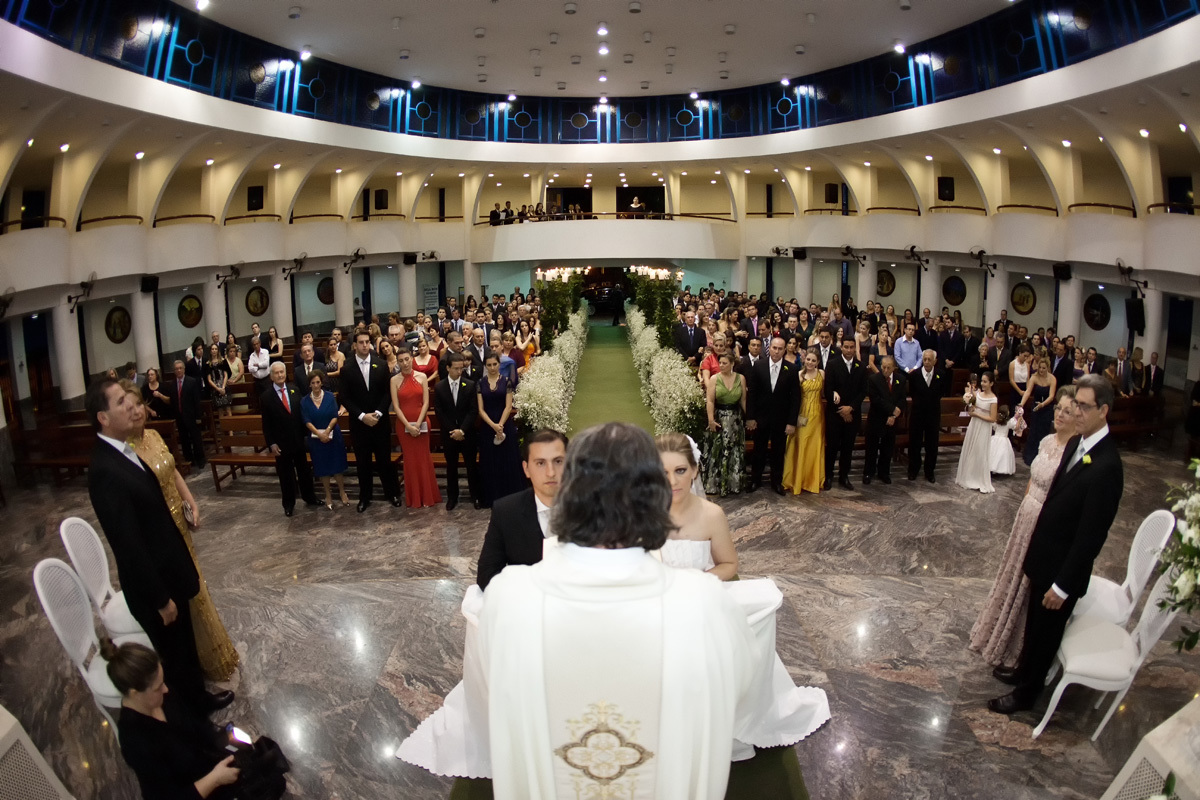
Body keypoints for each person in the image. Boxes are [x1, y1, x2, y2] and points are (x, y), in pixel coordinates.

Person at [478, 423, 760, 796]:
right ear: (652, 500)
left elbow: (494, 687)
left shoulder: (509, 597)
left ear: (571, 496)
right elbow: (739, 686)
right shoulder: (702, 601)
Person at [85, 379, 231, 716]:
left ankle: (201, 699)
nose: (130, 406)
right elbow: (129, 545)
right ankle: (194, 721)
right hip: (155, 587)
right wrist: (161, 599)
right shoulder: (105, 470)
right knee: (174, 659)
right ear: (103, 418)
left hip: (170, 570)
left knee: (185, 646)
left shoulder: (125, 449)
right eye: (121, 401)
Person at [989, 375, 1124, 714]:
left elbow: (1091, 536)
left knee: (1046, 635)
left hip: (1062, 569)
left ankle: (1026, 694)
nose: (1076, 411)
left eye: (1083, 405)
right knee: (1033, 626)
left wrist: (1063, 586)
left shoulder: (1107, 466)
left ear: (1103, 410)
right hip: (1044, 555)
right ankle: (1022, 670)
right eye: (1074, 403)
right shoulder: (1079, 443)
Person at [120, 381, 239, 683]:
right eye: (128, 407)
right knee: (184, 594)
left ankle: (210, 652)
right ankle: (191, 664)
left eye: (139, 405)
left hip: (180, 521)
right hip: (160, 532)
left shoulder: (155, 436)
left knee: (196, 585)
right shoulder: (126, 453)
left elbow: (171, 470)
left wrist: (191, 502)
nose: (136, 413)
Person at [971, 387, 1076, 668]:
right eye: (1058, 409)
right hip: (1026, 513)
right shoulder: (1047, 442)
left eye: (1067, 410)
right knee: (1014, 568)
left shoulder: (1075, 453)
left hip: (1045, 518)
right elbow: (1033, 478)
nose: (1060, 414)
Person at [101, 640, 253, 800]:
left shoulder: (163, 696)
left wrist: (225, 741)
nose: (166, 689)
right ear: (134, 693)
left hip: (207, 766)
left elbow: (196, 724)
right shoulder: (134, 741)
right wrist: (215, 780)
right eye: (158, 687)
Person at [476, 429, 567, 589]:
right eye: (540, 463)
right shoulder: (506, 511)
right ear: (526, 469)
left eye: (558, 461)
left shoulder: (594, 510)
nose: (550, 472)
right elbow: (487, 575)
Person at [656, 433, 738, 579]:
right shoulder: (638, 514)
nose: (672, 481)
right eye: (663, 473)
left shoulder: (712, 515)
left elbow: (728, 564)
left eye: (680, 470)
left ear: (694, 470)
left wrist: (696, 583)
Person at [340, 331, 403, 512]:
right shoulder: (347, 368)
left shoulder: (381, 365)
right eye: (361, 342)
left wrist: (377, 413)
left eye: (367, 342)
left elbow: (386, 393)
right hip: (359, 424)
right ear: (355, 346)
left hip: (379, 421)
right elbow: (344, 397)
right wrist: (362, 416)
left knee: (384, 460)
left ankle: (392, 493)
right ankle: (365, 497)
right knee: (363, 462)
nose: (365, 345)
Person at [260, 362, 321, 516]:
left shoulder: (294, 390)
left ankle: (310, 497)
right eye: (277, 373)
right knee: (286, 475)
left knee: (304, 472)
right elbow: (266, 424)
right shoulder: (266, 397)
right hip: (281, 444)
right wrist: (271, 443)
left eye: (282, 372)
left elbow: (302, 414)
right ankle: (288, 504)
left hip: (298, 441)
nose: (280, 375)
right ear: (271, 376)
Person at [746, 337, 800, 494]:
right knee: (759, 450)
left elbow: (795, 398)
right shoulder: (758, 366)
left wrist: (791, 422)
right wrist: (750, 417)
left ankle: (777, 482)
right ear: (770, 348)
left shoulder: (791, 369)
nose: (777, 351)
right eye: (774, 348)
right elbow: (752, 394)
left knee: (778, 451)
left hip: (781, 419)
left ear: (785, 350)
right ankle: (755, 480)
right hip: (760, 418)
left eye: (780, 349)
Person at [391, 346, 441, 508]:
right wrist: (408, 426)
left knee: (424, 458)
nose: (405, 363)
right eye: (401, 361)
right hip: (404, 424)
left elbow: (426, 402)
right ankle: (414, 497)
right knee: (410, 460)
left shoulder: (422, 377)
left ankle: (428, 495)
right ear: (397, 363)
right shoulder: (394, 380)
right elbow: (396, 407)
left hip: (422, 422)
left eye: (407, 359)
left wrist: (418, 424)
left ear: (412, 359)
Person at [432, 352, 482, 511]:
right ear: (448, 368)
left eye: (461, 368)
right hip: (449, 434)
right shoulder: (439, 387)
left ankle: (475, 495)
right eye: (456, 369)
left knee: (471, 466)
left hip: (467, 434)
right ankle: (452, 497)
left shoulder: (470, 385)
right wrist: (453, 430)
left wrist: (462, 430)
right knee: (451, 467)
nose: (459, 372)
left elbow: (473, 411)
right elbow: (439, 412)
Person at [476, 351, 526, 507]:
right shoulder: (480, 383)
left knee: (507, 462)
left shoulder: (506, 382)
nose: (492, 367)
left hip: (505, 427)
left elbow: (508, 406)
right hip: (487, 427)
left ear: (499, 364)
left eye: (495, 364)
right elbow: (480, 409)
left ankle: (510, 497)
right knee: (490, 463)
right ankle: (491, 497)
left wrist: (500, 425)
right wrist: (493, 425)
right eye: (489, 365)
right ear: (485, 366)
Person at [300, 369, 350, 509]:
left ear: (321, 382)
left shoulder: (329, 396)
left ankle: (342, 491)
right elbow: (306, 420)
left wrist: (327, 431)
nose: (316, 385)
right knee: (323, 468)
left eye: (318, 382)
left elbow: (335, 415)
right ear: (309, 385)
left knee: (337, 466)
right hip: (316, 440)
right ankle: (327, 494)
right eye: (313, 383)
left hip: (333, 436)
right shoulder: (304, 401)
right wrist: (319, 434)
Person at [823, 337, 866, 491]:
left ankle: (844, 476)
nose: (849, 350)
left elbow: (862, 391)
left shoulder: (860, 366)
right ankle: (828, 476)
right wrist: (842, 410)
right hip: (835, 414)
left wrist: (851, 408)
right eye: (846, 347)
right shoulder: (832, 364)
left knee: (848, 447)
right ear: (841, 347)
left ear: (855, 348)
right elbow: (828, 389)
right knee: (832, 447)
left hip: (853, 414)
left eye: (851, 347)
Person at [701, 351, 746, 497]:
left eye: (725, 363)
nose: (721, 365)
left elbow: (743, 401)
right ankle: (717, 484)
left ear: (732, 364)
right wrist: (711, 420)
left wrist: (749, 418)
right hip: (720, 419)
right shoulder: (715, 378)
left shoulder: (741, 378)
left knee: (735, 451)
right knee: (719, 451)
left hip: (736, 420)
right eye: (720, 363)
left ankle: (733, 484)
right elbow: (710, 400)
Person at [783, 349, 825, 495]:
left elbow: (827, 390)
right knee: (801, 445)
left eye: (813, 360)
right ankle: (798, 480)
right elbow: (793, 396)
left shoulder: (822, 374)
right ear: (804, 359)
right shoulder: (799, 375)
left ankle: (812, 480)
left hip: (818, 415)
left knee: (814, 446)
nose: (810, 363)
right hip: (802, 413)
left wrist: (835, 393)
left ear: (818, 362)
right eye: (808, 359)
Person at [863, 356, 906, 485]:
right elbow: (876, 400)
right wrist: (892, 410)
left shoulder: (901, 380)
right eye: (883, 367)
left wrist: (894, 416)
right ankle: (868, 472)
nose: (885, 370)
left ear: (894, 368)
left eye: (888, 367)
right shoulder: (873, 379)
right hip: (876, 419)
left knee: (887, 448)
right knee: (871, 448)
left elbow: (902, 399)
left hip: (892, 421)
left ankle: (884, 473)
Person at [955, 371, 999, 493]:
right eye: (982, 381)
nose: (983, 384)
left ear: (991, 383)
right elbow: (973, 408)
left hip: (984, 427)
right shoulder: (978, 394)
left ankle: (978, 478)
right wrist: (969, 403)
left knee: (980, 451)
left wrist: (977, 414)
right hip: (974, 425)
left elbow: (992, 418)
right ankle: (968, 476)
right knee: (971, 449)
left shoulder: (993, 399)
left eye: (985, 381)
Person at [907, 349, 947, 483]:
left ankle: (929, 471)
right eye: (925, 359)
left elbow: (942, 392)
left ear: (935, 361)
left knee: (932, 444)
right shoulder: (914, 375)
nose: (927, 362)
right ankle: (913, 469)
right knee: (915, 443)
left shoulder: (941, 375)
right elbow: (912, 392)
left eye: (930, 359)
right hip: (917, 414)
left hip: (933, 415)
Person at [166, 360, 206, 468]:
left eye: (180, 368)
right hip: (180, 416)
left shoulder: (191, 382)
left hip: (192, 415)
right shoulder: (172, 384)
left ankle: (200, 459)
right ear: (174, 371)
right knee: (184, 439)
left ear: (184, 369)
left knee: (196, 438)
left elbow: (196, 401)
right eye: (176, 369)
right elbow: (173, 401)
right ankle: (189, 459)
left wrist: (198, 416)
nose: (178, 370)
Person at [1019, 356, 1057, 467]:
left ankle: (1042, 456)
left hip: (1046, 408)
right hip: (1036, 408)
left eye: (1044, 368)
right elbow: (1027, 392)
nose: (1041, 370)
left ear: (1047, 368)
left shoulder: (1052, 379)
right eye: (1040, 367)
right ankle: (1031, 456)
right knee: (1034, 431)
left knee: (1043, 432)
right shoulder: (1034, 378)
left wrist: (1043, 404)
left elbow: (1051, 396)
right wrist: (1022, 403)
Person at [204, 344, 232, 418]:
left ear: (218, 350)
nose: (214, 351)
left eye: (215, 349)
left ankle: (231, 429)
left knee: (228, 409)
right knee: (220, 411)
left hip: (224, 386)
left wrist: (223, 387)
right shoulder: (208, 364)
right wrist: (218, 389)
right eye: (212, 349)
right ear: (210, 351)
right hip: (215, 388)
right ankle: (224, 428)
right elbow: (209, 380)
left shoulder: (223, 361)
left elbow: (226, 374)